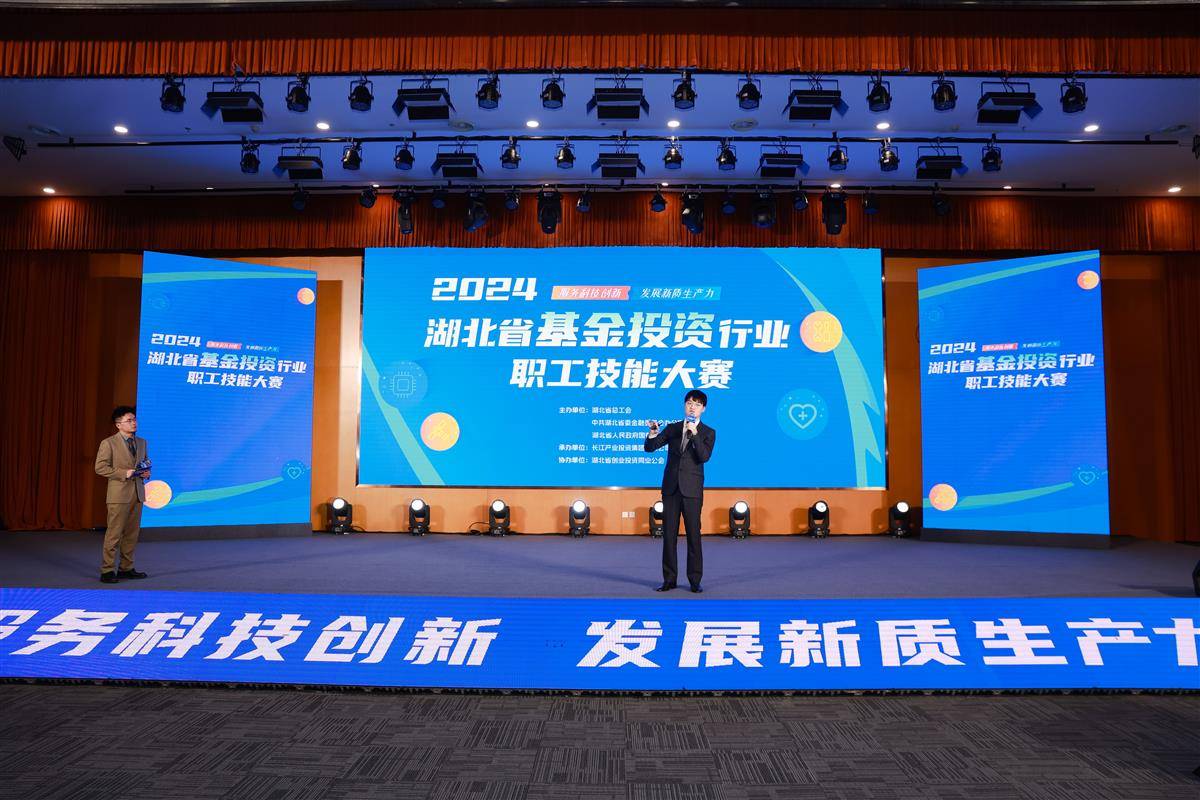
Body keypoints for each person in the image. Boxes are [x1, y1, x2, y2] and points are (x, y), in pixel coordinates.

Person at [644, 389, 716, 593]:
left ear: (703, 409)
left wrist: (695, 435)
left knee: (694, 536)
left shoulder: (708, 432)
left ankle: (694, 580)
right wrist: (653, 433)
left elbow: (703, 457)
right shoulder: (673, 428)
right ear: (684, 405)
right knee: (669, 535)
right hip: (671, 488)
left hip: (692, 490)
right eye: (689, 403)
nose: (692, 407)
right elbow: (650, 447)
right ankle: (669, 579)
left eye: (697, 404)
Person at [94, 405, 150, 583]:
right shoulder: (108, 443)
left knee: (131, 534)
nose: (134, 423)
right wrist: (124, 473)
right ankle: (107, 570)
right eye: (129, 420)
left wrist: (146, 473)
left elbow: (143, 462)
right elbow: (100, 467)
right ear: (118, 425)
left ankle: (126, 568)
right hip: (118, 495)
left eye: (134, 419)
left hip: (138, 493)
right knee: (114, 534)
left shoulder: (142, 442)